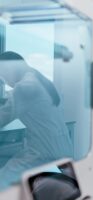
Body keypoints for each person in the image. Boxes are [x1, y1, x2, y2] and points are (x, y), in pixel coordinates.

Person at [0, 51, 73, 189]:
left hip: (44, 155)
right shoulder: (43, 81)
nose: (6, 81)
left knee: (3, 179)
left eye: (3, 74)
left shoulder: (26, 86)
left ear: (10, 68)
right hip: (63, 151)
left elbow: (3, 117)